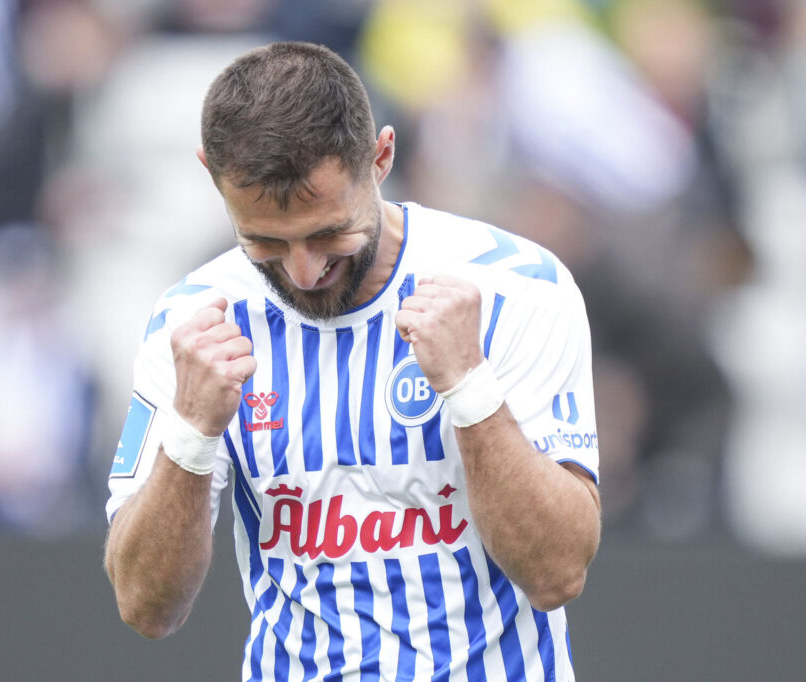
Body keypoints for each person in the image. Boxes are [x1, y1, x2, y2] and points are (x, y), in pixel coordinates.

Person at [103, 41, 601, 681]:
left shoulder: (518, 289)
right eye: (264, 241)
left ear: (382, 158)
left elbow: (558, 572)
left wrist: (471, 388)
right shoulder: (192, 323)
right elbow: (146, 607)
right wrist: (191, 433)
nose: (304, 272)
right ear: (211, 174)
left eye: (328, 233)